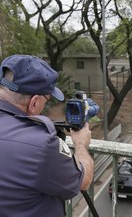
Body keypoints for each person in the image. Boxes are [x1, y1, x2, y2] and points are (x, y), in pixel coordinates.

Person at [0, 55, 94, 217]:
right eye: (47, 99)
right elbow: (84, 180)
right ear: (34, 102)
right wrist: (80, 144)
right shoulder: (40, 144)